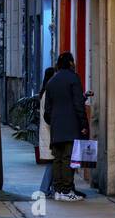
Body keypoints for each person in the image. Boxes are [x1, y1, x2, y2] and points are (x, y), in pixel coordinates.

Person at [42, 53, 88, 201]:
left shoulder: (52, 81)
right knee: (69, 159)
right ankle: (67, 190)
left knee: (58, 159)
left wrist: (53, 121)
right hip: (71, 126)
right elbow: (78, 103)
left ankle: (58, 189)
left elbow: (47, 110)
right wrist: (83, 124)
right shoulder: (73, 78)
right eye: (73, 61)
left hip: (56, 127)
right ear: (70, 63)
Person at [37, 67, 55, 197]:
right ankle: (44, 188)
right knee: (52, 162)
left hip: (47, 132)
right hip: (49, 132)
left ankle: (49, 188)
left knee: (53, 162)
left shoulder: (44, 92)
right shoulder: (48, 93)